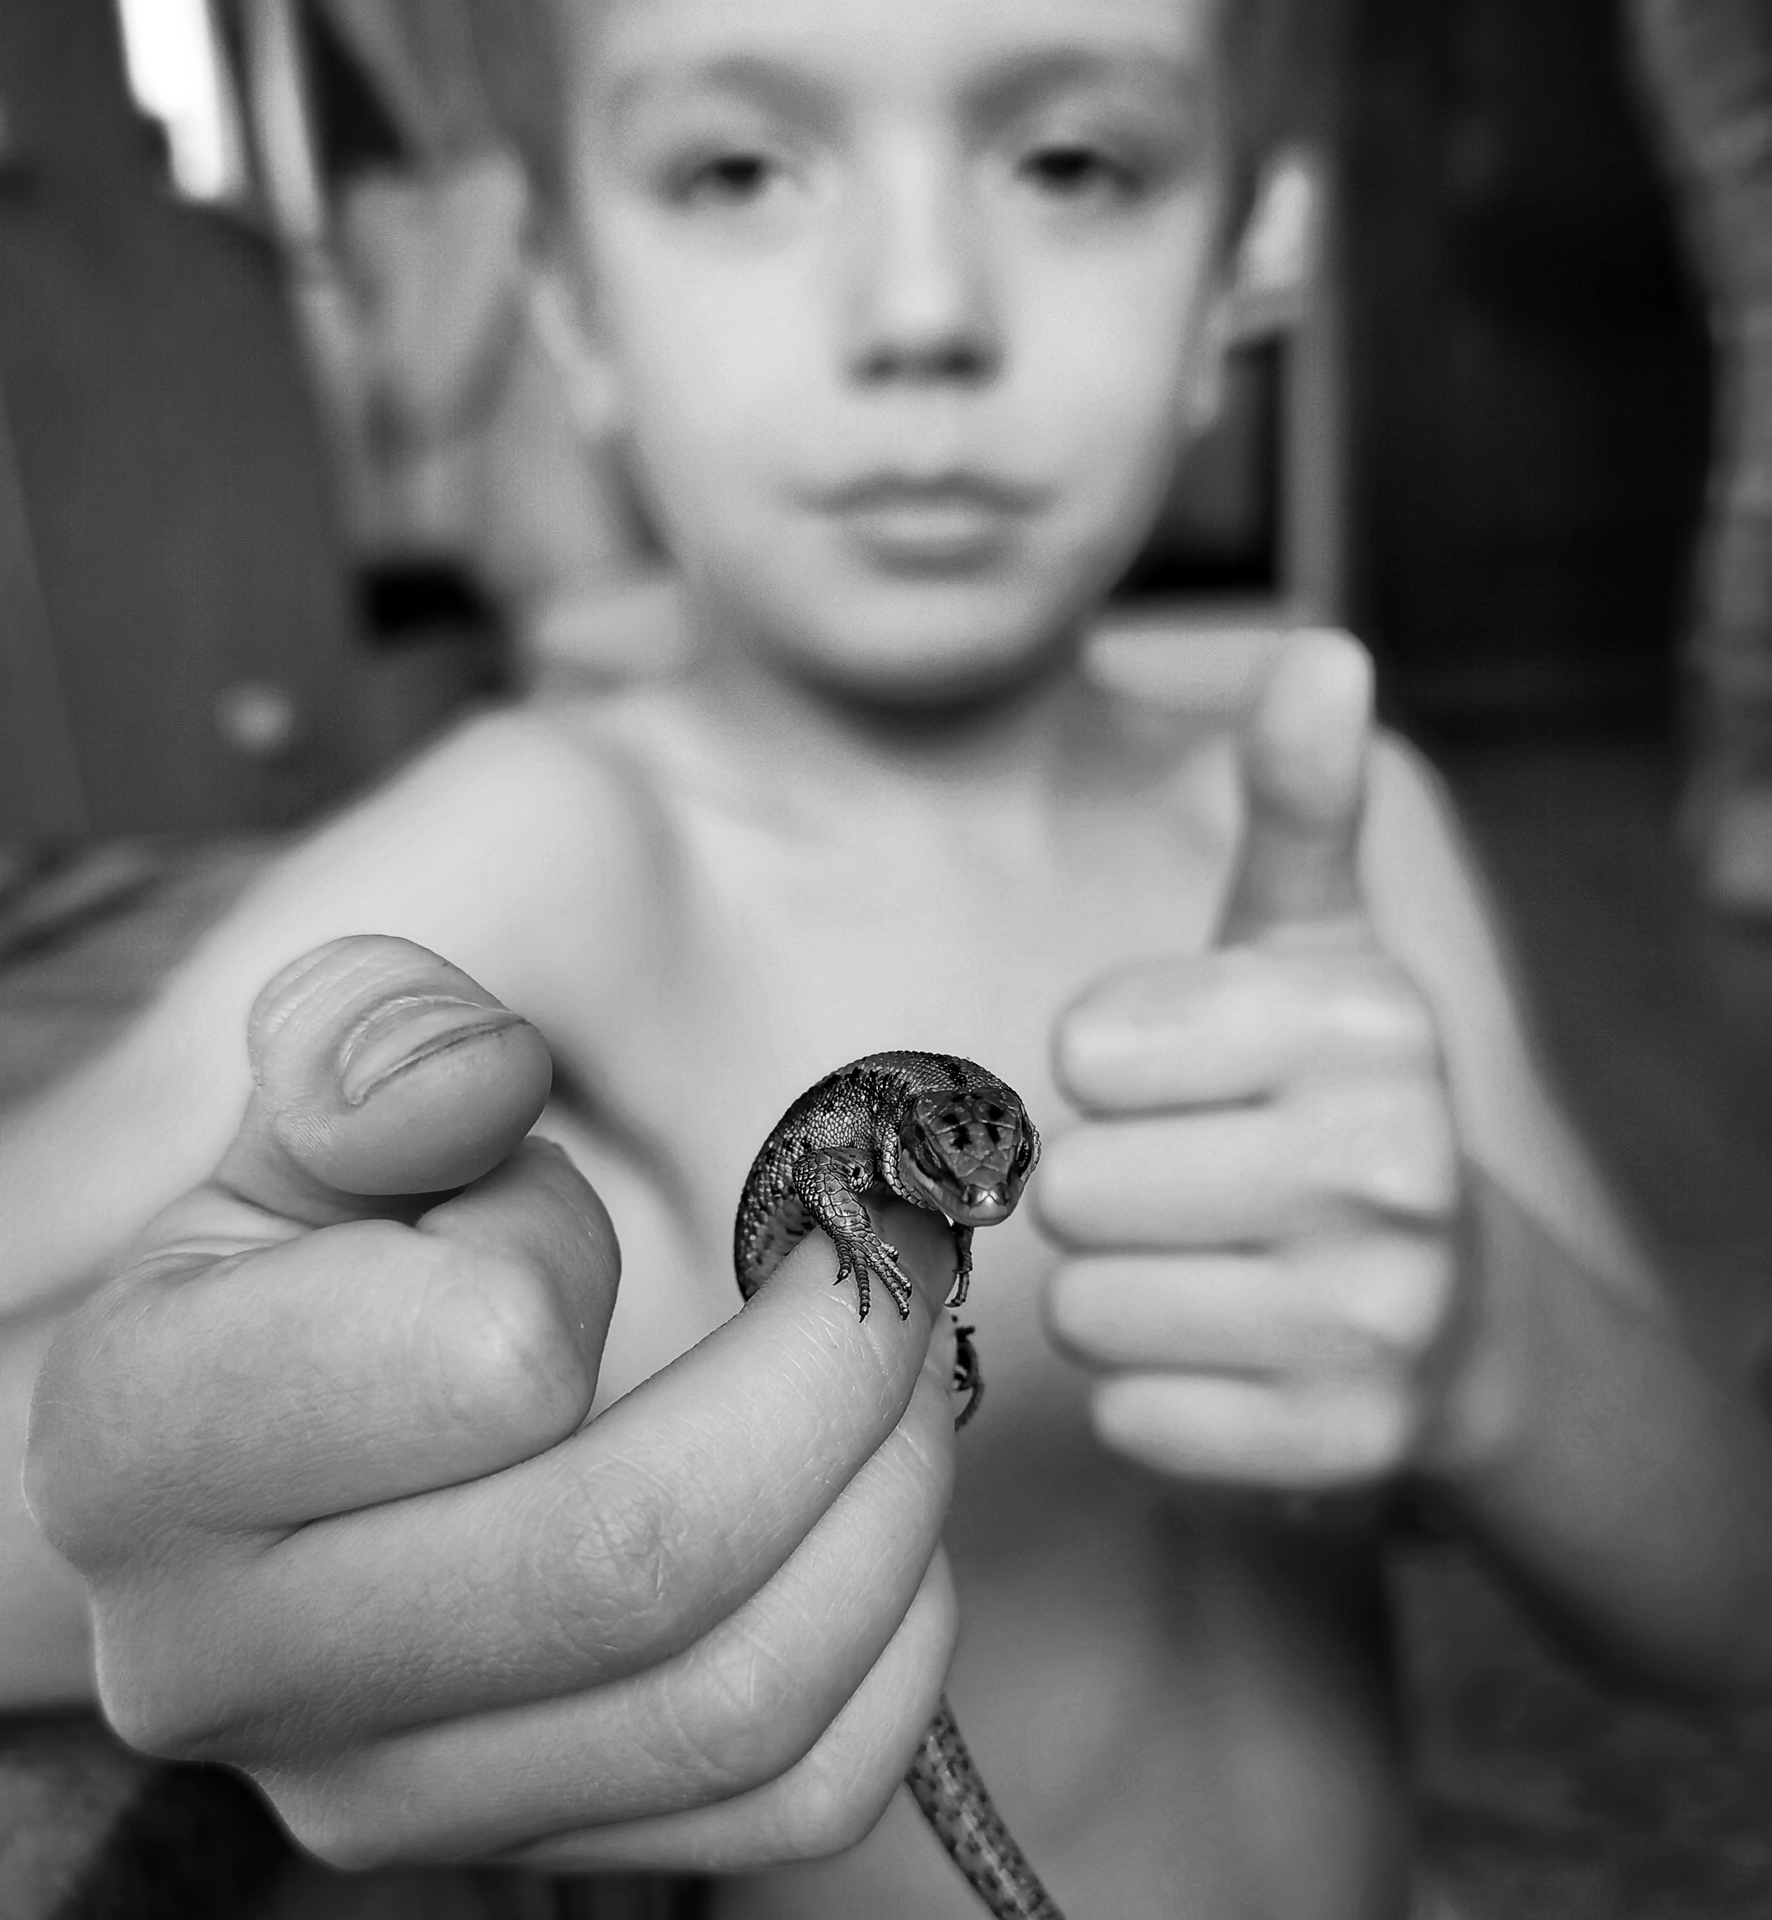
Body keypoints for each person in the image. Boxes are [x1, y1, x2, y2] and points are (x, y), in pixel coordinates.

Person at [9, 0, 1772, 1914]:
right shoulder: (549, 837)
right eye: (739, 168)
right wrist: (172, 1523)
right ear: (570, 305)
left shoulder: (1355, 823)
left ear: (1248, 260)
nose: (921, 310)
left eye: (1072, 161)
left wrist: (1495, 1339)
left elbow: (1728, 1609)